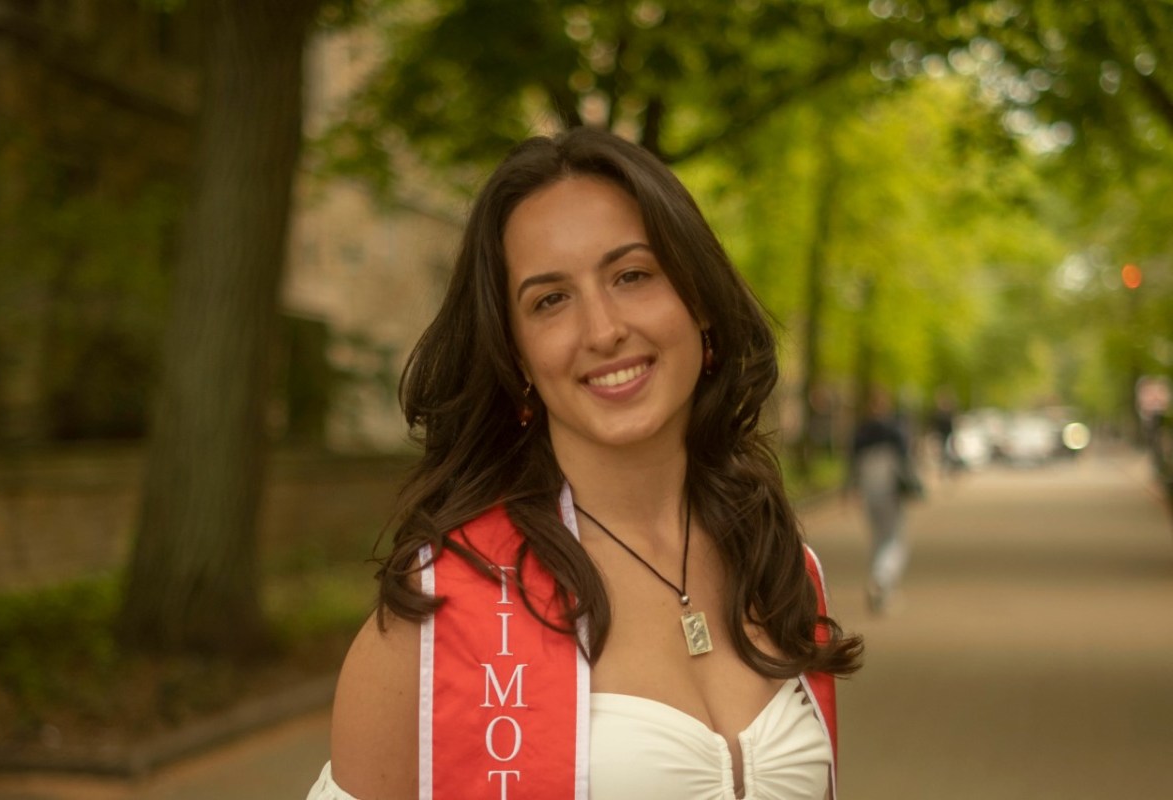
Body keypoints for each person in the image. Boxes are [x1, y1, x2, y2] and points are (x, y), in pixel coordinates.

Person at [307, 127, 863, 800]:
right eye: (550, 300)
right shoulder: (439, 612)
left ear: (701, 306)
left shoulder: (780, 568)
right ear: (518, 360)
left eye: (632, 275)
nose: (602, 330)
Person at [847, 387, 919, 615]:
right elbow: (905, 464)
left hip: (869, 494)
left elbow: (852, 465)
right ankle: (882, 579)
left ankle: (881, 586)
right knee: (895, 540)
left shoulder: (861, 432)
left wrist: (848, 490)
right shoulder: (895, 431)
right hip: (891, 494)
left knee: (877, 539)